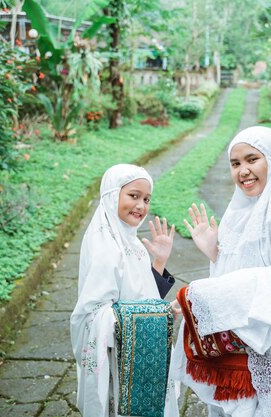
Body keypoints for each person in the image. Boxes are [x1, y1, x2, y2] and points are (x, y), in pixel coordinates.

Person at [170, 126, 271, 417]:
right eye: (235, 163)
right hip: (242, 337)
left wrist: (200, 296)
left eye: (252, 159)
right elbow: (237, 267)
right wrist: (215, 252)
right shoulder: (240, 207)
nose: (243, 171)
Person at [70, 163, 179, 417]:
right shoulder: (104, 248)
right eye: (133, 196)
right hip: (117, 361)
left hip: (139, 354)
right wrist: (154, 315)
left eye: (147, 199)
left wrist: (159, 263)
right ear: (111, 196)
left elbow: (141, 294)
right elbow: (93, 314)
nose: (141, 206)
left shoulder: (132, 242)